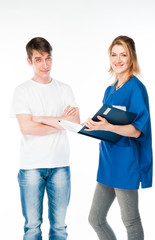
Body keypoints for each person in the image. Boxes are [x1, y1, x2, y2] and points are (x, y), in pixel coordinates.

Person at [10, 37, 80, 240]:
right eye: (39, 59)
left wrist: (41, 119)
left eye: (48, 58)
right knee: (32, 227)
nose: (45, 64)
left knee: (59, 228)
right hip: (31, 167)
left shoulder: (64, 89)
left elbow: (75, 124)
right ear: (29, 61)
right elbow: (26, 127)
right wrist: (61, 122)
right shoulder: (22, 91)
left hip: (60, 165)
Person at [85, 36, 152, 240]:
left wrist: (109, 126)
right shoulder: (109, 90)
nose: (118, 59)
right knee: (95, 218)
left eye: (123, 54)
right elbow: (107, 125)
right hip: (108, 161)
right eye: (114, 54)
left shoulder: (135, 88)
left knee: (131, 221)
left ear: (131, 57)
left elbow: (137, 130)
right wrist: (93, 126)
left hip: (126, 161)